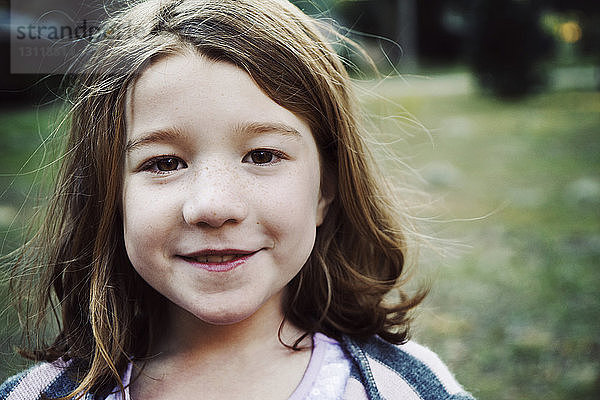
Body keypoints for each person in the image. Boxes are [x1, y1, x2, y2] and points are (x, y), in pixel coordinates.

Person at [0, 0, 475, 399]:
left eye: (263, 155)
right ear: (110, 197)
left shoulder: (405, 387)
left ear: (325, 190)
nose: (213, 205)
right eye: (164, 163)